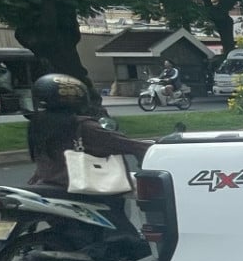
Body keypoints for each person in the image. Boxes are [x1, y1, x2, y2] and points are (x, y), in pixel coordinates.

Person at [26, 74, 152, 231]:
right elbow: (125, 144)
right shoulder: (83, 127)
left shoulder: (37, 124)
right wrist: (150, 149)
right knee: (142, 188)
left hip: (46, 181)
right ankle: (128, 234)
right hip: (77, 185)